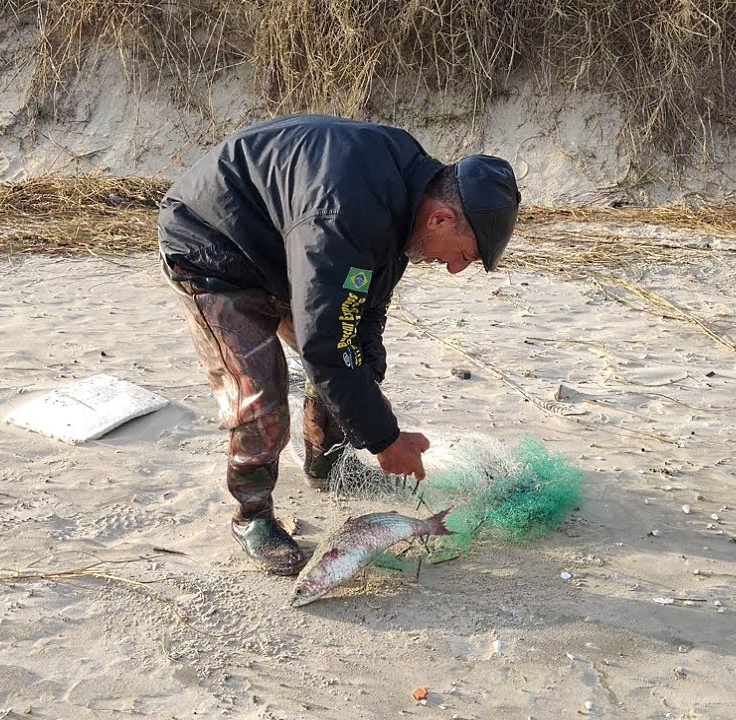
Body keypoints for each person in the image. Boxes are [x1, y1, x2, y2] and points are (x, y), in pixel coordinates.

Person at [157, 115, 520, 576]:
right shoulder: (344, 216)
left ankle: (325, 466)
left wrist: (371, 392)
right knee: (261, 397)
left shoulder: (407, 195)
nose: (454, 269)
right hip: (211, 248)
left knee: (349, 372)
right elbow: (326, 341)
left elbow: (366, 310)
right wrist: (384, 440)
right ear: (441, 218)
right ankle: (251, 517)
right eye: (464, 255)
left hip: (285, 249)